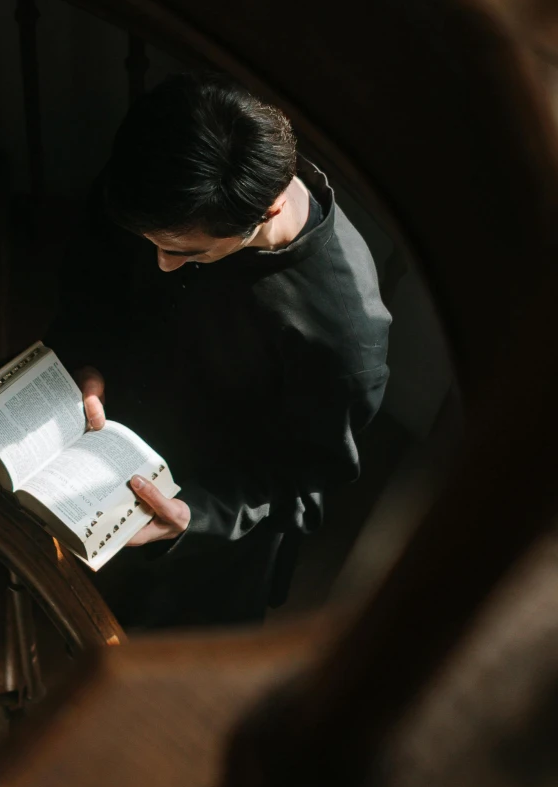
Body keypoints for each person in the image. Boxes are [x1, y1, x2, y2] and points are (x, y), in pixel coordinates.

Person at [48, 74, 391, 628]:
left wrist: (194, 516)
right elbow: (93, 275)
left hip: (201, 538)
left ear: (270, 211)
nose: (159, 263)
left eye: (185, 252)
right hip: (99, 442)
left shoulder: (345, 337)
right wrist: (84, 357)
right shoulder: (161, 177)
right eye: (151, 244)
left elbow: (305, 481)